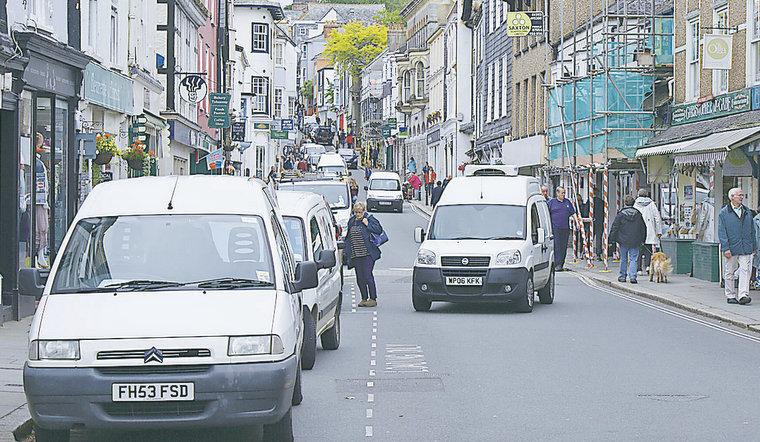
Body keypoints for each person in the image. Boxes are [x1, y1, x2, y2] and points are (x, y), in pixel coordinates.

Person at [718, 187, 756, 305]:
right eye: (739, 195)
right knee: (730, 271)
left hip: (746, 245)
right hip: (731, 246)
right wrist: (725, 247)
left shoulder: (747, 211)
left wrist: (754, 245)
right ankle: (730, 295)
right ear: (732, 197)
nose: (741, 197)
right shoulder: (724, 213)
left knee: (745, 270)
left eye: (742, 195)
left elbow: (752, 229)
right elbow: (722, 231)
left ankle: (743, 295)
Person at [345, 202, 383, 307]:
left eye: (359, 212)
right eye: (355, 212)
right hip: (356, 254)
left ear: (364, 211)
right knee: (360, 278)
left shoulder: (369, 219)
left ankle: (373, 298)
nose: (357, 215)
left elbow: (379, 230)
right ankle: (364, 298)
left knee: (367, 276)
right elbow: (348, 237)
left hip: (367, 254)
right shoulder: (352, 222)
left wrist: (368, 225)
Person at [609, 194, 647, 283]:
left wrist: (611, 240)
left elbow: (615, 227)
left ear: (625, 203)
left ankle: (622, 276)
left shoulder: (621, 215)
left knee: (623, 258)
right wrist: (643, 240)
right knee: (634, 259)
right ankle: (633, 276)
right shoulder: (638, 214)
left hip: (623, 240)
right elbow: (643, 228)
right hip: (635, 240)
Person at [547, 186, 577, 271]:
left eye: (564, 193)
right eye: (562, 193)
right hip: (555, 228)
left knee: (563, 247)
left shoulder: (567, 202)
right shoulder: (552, 202)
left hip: (565, 228)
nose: (563, 194)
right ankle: (556, 264)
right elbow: (547, 214)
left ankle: (561, 264)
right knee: (557, 246)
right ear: (557, 193)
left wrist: (577, 222)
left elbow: (573, 212)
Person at [634, 188, 663, 274]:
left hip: (638, 230)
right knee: (648, 248)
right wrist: (658, 231)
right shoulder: (651, 204)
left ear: (638, 195)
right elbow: (657, 218)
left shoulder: (635, 204)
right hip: (649, 229)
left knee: (638, 250)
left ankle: (639, 269)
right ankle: (647, 266)